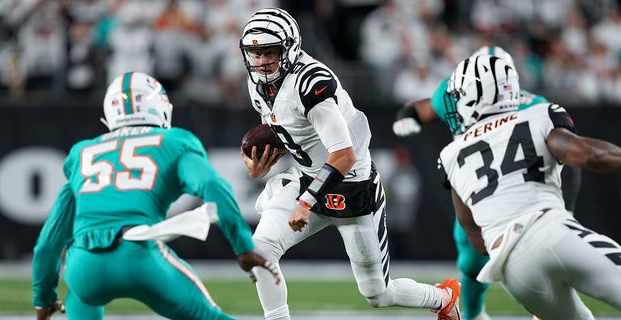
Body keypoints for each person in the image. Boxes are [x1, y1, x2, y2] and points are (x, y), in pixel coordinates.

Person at [238, 7, 460, 320]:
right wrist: (260, 168)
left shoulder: (311, 83)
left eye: (270, 52)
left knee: (378, 294)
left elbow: (343, 154)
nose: (261, 62)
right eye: (255, 53)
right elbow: (292, 136)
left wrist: (306, 202)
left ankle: (444, 298)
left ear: (289, 48)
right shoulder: (258, 84)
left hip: (351, 186)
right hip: (306, 180)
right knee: (260, 250)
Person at [31, 71, 280, 320]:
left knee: (79, 294)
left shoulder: (83, 152)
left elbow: (48, 243)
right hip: (138, 254)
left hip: (83, 265)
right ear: (161, 108)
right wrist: (243, 246)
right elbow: (214, 186)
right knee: (209, 316)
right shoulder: (173, 141)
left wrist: (43, 297)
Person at [392, 45, 582, 320]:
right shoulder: (451, 94)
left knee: (538, 259)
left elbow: (569, 158)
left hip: (522, 197)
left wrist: (565, 210)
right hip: (476, 193)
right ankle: (471, 314)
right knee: (471, 263)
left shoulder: (535, 106)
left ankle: (549, 309)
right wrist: (407, 116)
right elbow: (421, 108)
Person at [438, 54, 621, 319]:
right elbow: (586, 155)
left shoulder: (452, 154)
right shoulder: (538, 115)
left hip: (512, 270)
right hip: (550, 232)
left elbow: (472, 232)